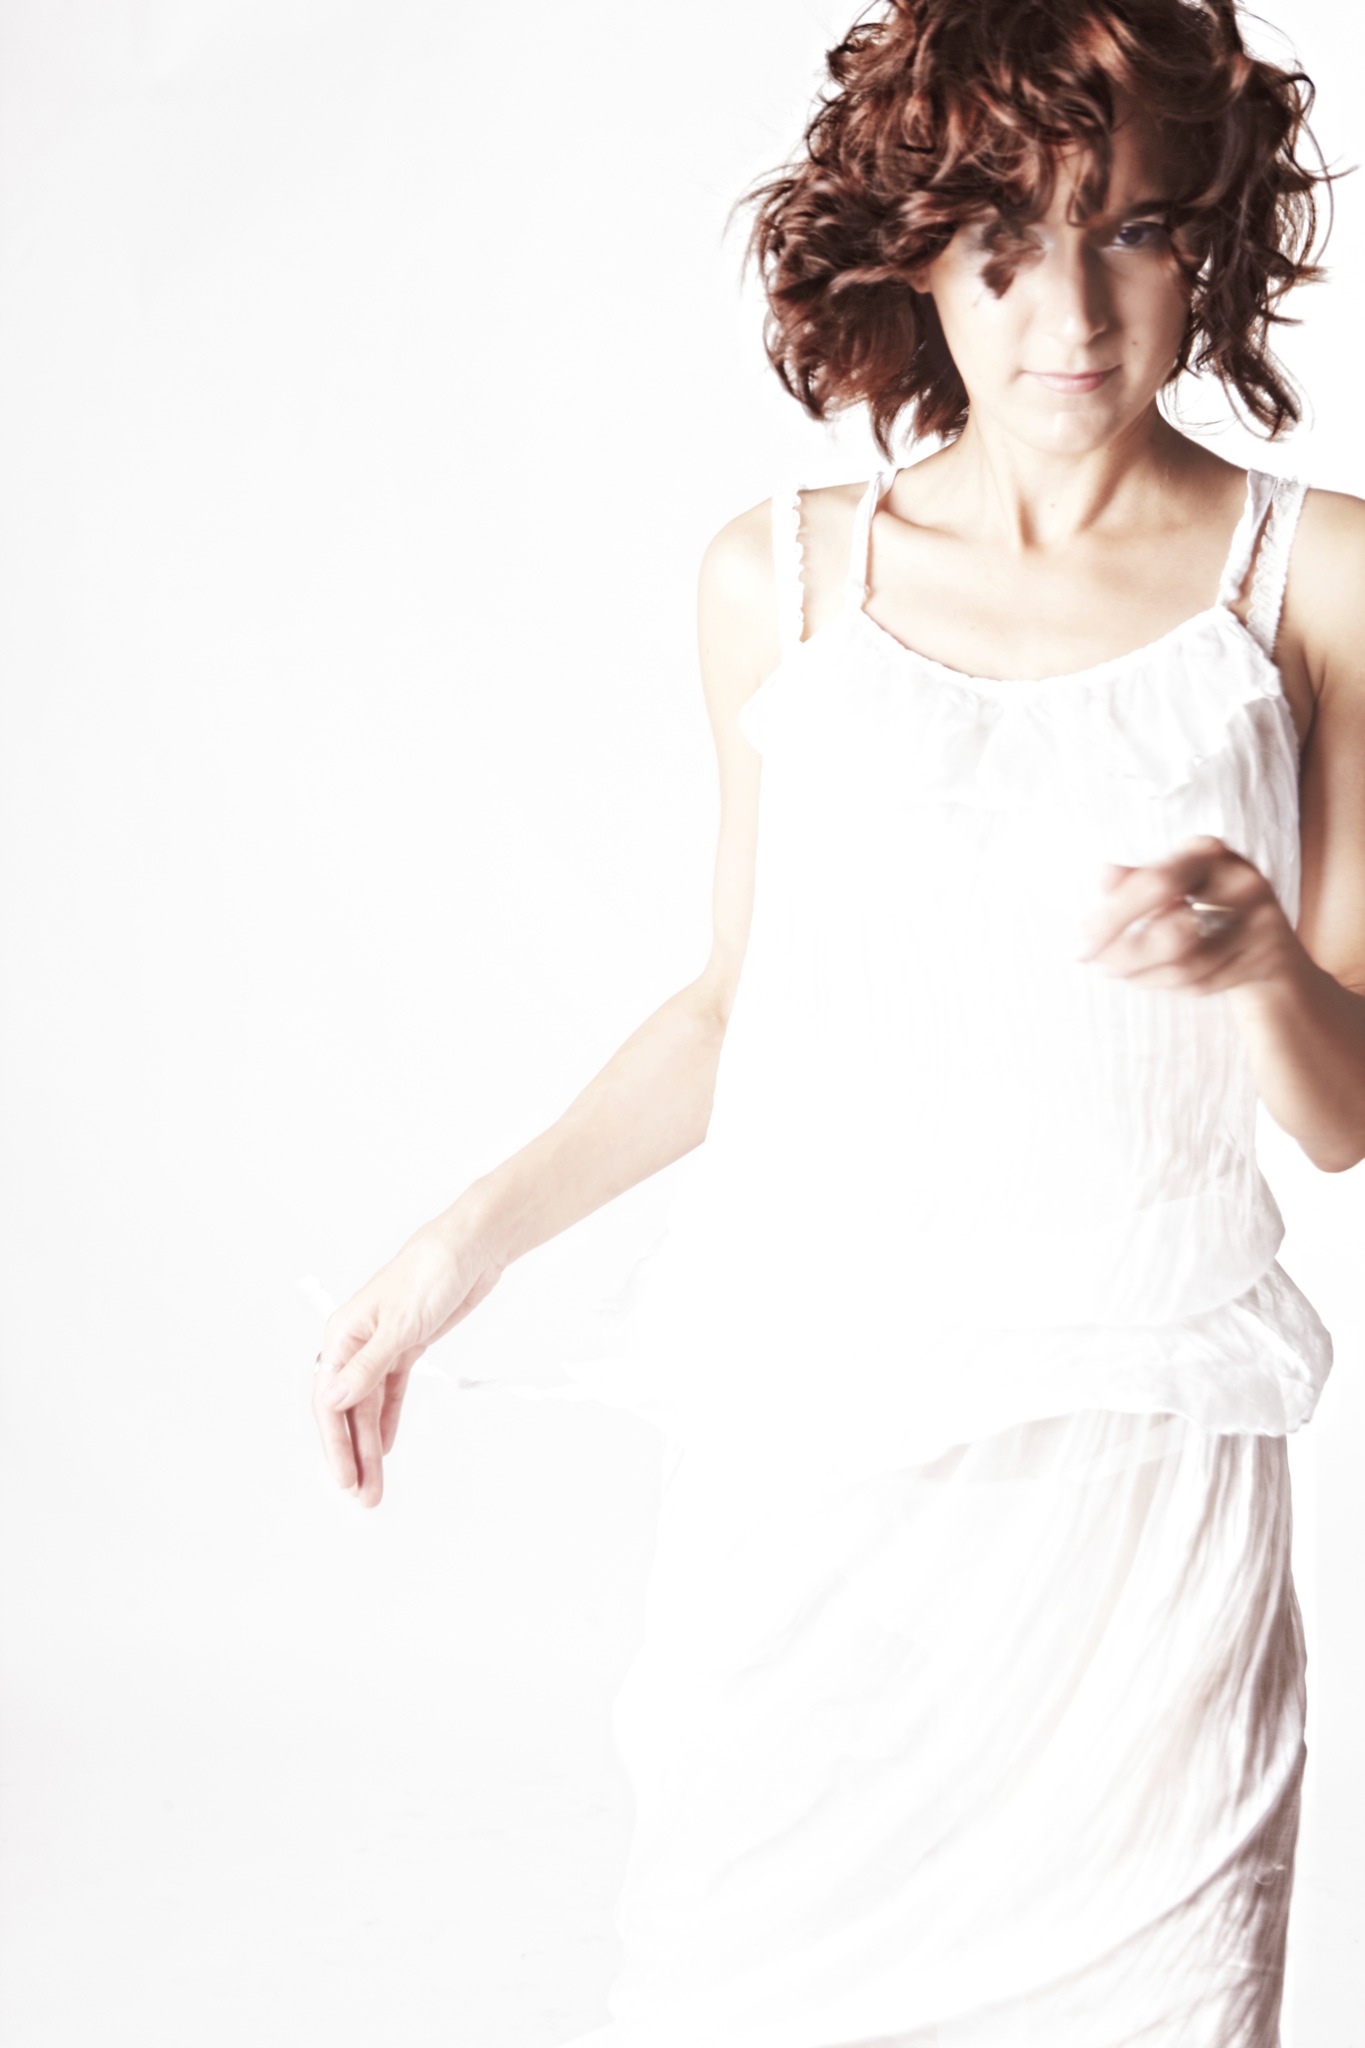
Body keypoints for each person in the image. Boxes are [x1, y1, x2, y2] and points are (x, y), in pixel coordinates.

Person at [312, 0, 1365, 2039]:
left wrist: (1258, 968)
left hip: (1139, 1491)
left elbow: (1341, 1114)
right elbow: (735, 1007)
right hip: (820, 1471)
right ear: (917, 255)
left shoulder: (1308, 578)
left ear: (1206, 240)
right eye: (1004, 247)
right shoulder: (777, 581)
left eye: (1133, 232)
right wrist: (455, 1248)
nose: (1071, 314)